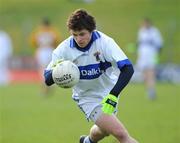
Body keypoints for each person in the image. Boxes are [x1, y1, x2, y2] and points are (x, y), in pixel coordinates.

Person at [44, 9, 138, 143]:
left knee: (104, 130)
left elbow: (128, 69)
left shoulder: (105, 42)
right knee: (120, 134)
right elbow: (47, 79)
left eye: (82, 34)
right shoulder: (64, 49)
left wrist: (113, 95)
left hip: (108, 92)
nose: (78, 39)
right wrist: (59, 72)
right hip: (86, 97)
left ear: (91, 30)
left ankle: (87, 141)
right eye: (74, 35)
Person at [30, 17, 61, 95]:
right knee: (51, 68)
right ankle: (50, 85)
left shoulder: (38, 32)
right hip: (50, 50)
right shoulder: (53, 31)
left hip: (42, 50)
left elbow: (33, 42)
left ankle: (44, 86)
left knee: (42, 69)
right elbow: (57, 41)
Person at [136, 18, 163, 100]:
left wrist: (157, 55)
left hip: (151, 55)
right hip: (142, 56)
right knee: (145, 75)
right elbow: (139, 43)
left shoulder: (155, 32)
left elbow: (159, 44)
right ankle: (149, 89)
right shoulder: (141, 31)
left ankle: (151, 91)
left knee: (151, 73)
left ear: (148, 23)